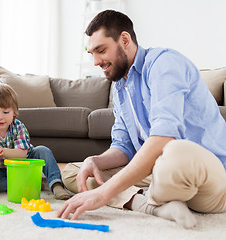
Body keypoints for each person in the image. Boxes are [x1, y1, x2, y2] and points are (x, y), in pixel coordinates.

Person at [56, 9, 226, 228]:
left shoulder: (164, 63)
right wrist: (96, 161)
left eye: (101, 50)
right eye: (92, 54)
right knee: (76, 172)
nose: (96, 61)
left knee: (173, 150)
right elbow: (123, 147)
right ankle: (152, 205)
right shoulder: (119, 87)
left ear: (124, 39)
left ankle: (147, 195)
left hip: (209, 176)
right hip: (160, 173)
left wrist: (105, 194)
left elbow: (163, 138)